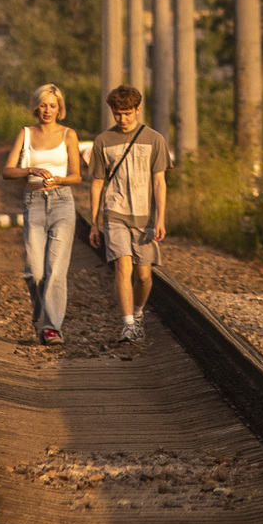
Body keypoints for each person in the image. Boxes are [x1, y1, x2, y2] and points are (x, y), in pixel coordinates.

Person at [86, 85, 169, 343]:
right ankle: (128, 325)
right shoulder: (103, 141)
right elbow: (97, 182)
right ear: (111, 111)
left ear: (137, 109)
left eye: (127, 113)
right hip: (115, 213)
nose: (122, 119)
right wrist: (94, 223)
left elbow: (159, 181)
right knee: (123, 266)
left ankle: (138, 312)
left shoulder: (155, 139)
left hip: (145, 215)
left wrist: (161, 218)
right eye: (117, 114)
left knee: (144, 276)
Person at [1, 84, 81, 345]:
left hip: (62, 203)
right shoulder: (25, 133)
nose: (48, 110)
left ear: (60, 109)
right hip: (34, 201)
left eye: (53, 106)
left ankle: (51, 327)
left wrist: (60, 179)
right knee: (34, 271)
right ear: (37, 107)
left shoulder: (69, 135)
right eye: (44, 105)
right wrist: (30, 170)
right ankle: (41, 312)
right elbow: (7, 171)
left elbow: (77, 176)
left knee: (55, 270)